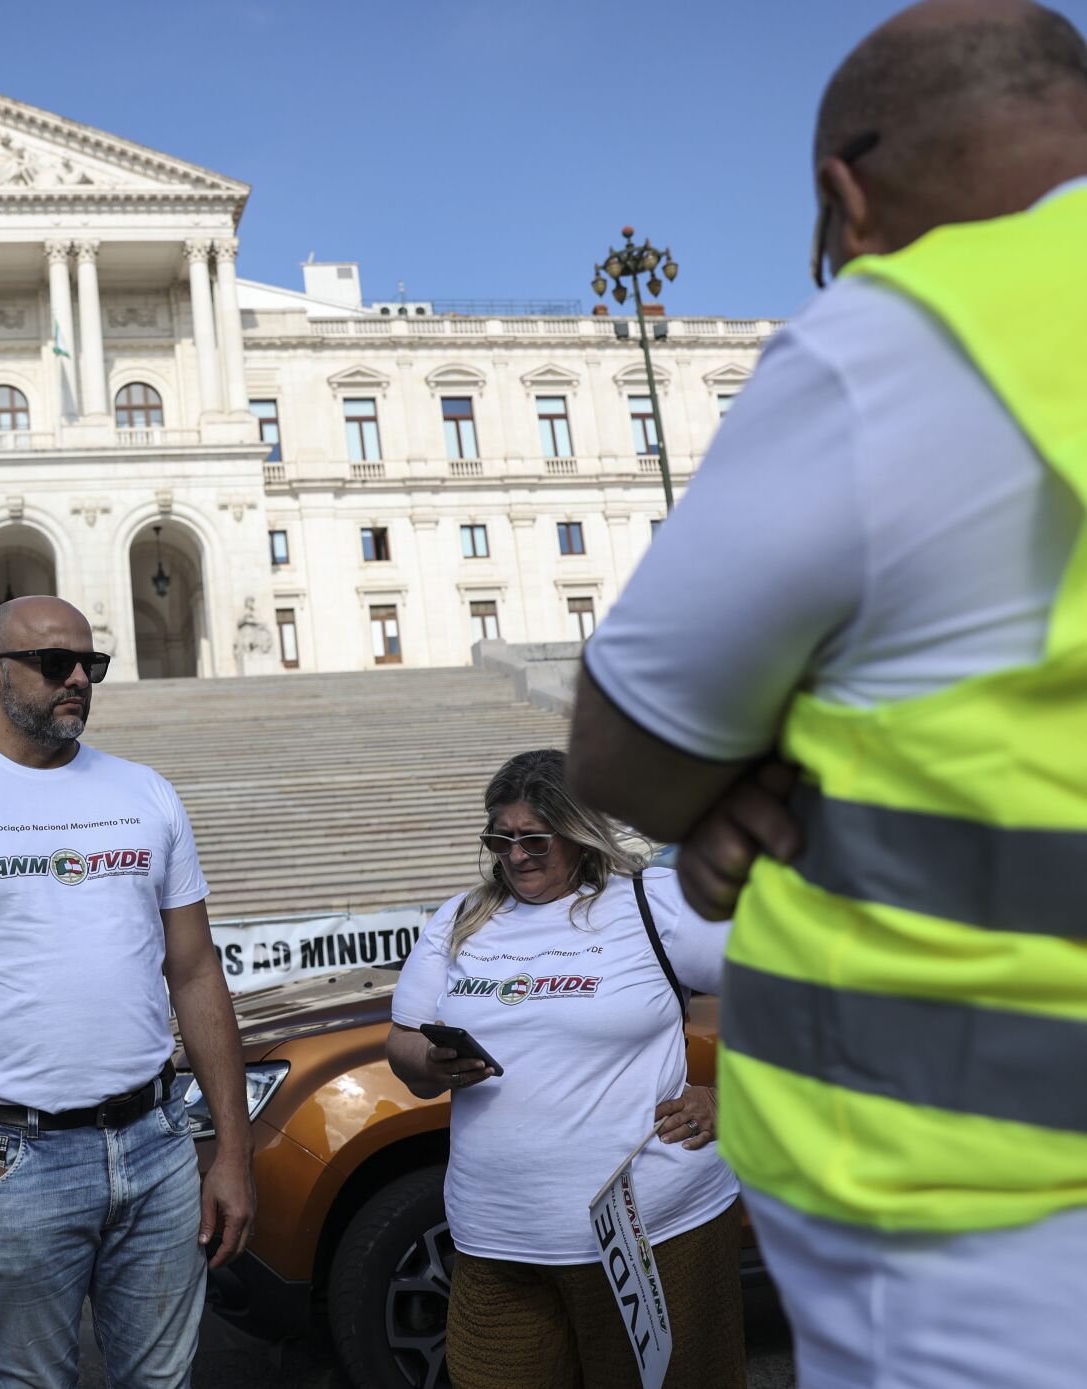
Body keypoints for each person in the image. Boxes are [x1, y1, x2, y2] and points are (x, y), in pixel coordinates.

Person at [565, 5, 1087, 1385]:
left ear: (846, 195)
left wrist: (761, 757)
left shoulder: (913, 333)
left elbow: (624, 754)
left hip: (982, 1216)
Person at [0, 596, 255, 1389]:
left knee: (164, 1380)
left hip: (155, 1143)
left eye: (90, 663)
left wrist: (232, 1153)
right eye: (53, 663)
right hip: (14, 1158)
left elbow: (196, 969)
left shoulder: (146, 793)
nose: (77, 677)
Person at [386, 750, 739, 1389]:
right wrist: (434, 1062)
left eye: (534, 838)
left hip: (653, 1238)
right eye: (501, 838)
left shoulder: (652, 903)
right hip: (497, 1243)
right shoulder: (461, 920)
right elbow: (402, 1048)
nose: (516, 854)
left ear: (577, 833)